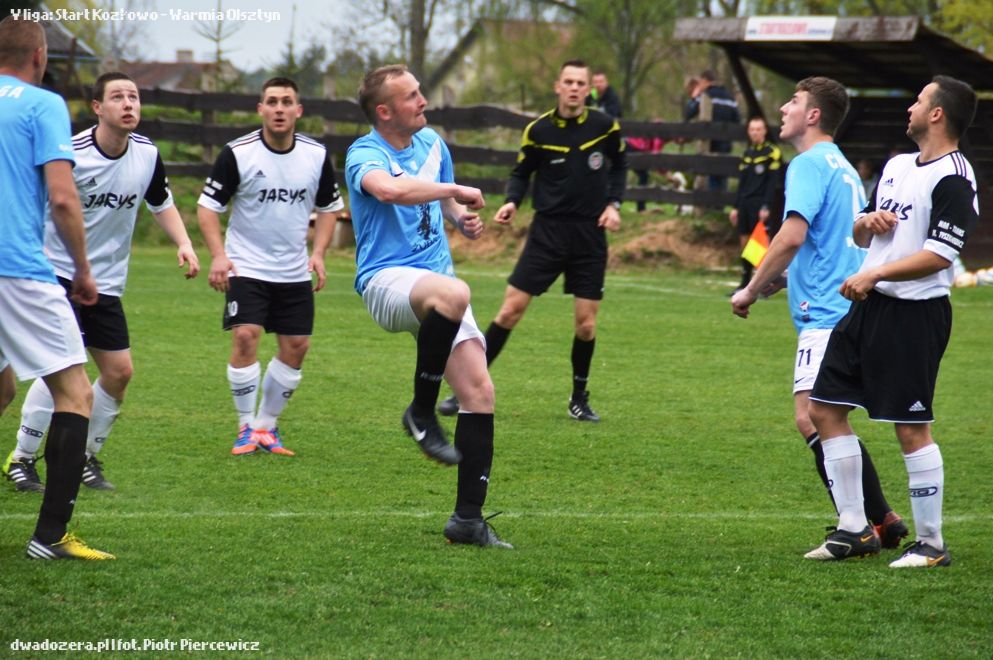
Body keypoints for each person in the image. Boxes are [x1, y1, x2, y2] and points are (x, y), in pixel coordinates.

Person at [805, 76, 979, 568]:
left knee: (911, 429)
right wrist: (868, 223)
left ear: (937, 113)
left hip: (915, 315)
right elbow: (862, 233)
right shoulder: (897, 166)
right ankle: (854, 529)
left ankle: (931, 545)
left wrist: (876, 272)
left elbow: (940, 255)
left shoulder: (955, 177)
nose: (910, 108)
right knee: (824, 409)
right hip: (868, 308)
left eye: (919, 101)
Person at [731, 76, 907, 553]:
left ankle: (857, 526)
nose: (783, 108)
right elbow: (831, 244)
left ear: (813, 115)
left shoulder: (807, 163)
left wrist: (750, 288)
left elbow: (791, 236)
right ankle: (881, 518)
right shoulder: (841, 165)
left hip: (826, 312)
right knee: (826, 416)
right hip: (848, 306)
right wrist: (784, 279)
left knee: (813, 418)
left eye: (793, 101)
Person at [2, 72, 200, 493]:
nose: (128, 104)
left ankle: (84, 457)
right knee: (62, 369)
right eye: (117, 97)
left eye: (134, 97)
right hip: (58, 274)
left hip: (106, 283)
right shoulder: (71, 152)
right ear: (97, 107)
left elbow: (160, 202)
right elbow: (41, 203)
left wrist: (184, 242)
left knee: (119, 372)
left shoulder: (147, 154)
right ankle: (22, 458)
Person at [345, 63, 511, 548]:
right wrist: (455, 190)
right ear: (385, 111)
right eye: (412, 96)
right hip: (386, 281)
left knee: (479, 392)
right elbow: (391, 190)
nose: (423, 101)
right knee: (455, 293)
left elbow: (440, 203)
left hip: (436, 285)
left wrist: (460, 219)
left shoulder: (433, 143)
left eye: (420, 92)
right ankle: (421, 411)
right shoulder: (365, 153)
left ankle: (467, 521)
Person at [439, 60, 626, 422]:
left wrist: (614, 204)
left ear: (588, 88)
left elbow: (620, 165)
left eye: (581, 83)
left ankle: (578, 399)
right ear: (558, 86)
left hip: (589, 235)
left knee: (586, 324)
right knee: (510, 311)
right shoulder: (538, 130)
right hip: (547, 233)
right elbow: (522, 172)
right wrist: (512, 201)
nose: (574, 88)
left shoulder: (605, 126)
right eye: (568, 82)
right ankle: (466, 389)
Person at [0, 15, 113, 560]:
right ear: (39, 56)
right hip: (16, 269)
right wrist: (83, 269)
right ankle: (50, 537)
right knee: (76, 393)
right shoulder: (42, 104)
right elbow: (64, 198)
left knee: (2, 389)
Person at [198, 77, 343, 457]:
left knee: (297, 346)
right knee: (246, 335)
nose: (279, 109)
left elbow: (330, 208)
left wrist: (319, 253)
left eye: (286, 102)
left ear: (299, 110)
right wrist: (218, 255)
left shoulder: (315, 155)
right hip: (246, 265)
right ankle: (245, 426)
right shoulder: (237, 153)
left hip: (293, 269)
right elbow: (208, 207)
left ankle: (266, 427)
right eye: (272, 102)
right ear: (260, 109)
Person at [729, 116, 782, 291]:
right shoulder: (747, 154)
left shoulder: (772, 152)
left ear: (764, 131)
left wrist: (766, 205)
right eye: (752, 129)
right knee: (744, 242)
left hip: (760, 203)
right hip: (745, 203)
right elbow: (742, 183)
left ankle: (763, 283)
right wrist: (735, 207)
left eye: (758, 129)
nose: (755, 133)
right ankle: (745, 282)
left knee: (759, 243)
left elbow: (772, 183)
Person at [684, 70, 741, 191]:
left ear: (705, 81)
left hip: (709, 144)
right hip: (726, 144)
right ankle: (720, 201)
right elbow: (737, 120)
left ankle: (710, 200)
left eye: (700, 82)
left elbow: (688, 113)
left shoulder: (705, 95)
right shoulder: (730, 98)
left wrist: (694, 97)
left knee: (709, 177)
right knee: (722, 177)